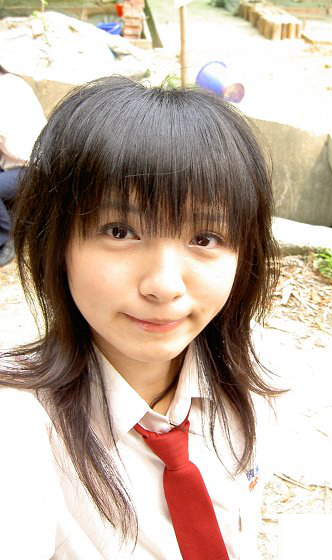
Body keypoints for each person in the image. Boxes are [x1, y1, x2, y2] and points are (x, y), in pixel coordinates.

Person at [0, 75, 284, 559]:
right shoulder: (20, 427)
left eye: (205, 238)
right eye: (120, 231)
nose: (164, 285)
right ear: (57, 243)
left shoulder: (260, 381)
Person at [0, 64, 46, 266]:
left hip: (29, 168)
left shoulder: (6, 90)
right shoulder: (17, 83)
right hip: (34, 163)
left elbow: (11, 147)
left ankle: (5, 238)